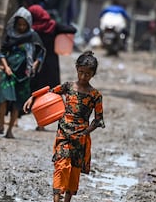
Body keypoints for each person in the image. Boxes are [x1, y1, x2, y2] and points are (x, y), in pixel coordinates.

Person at [23, 51, 105, 202]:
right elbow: (49, 92)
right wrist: (32, 97)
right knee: (61, 164)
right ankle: (56, 198)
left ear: (93, 74)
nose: (83, 76)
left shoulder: (95, 95)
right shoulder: (68, 87)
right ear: (76, 69)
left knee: (74, 169)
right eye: (81, 72)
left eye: (87, 74)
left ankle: (67, 199)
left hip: (80, 138)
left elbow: (98, 120)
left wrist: (86, 131)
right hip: (63, 133)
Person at [0, 7, 45, 138]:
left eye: (24, 25)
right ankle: (1, 125)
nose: (22, 27)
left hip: (24, 75)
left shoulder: (33, 36)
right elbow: (2, 53)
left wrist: (35, 63)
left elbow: (40, 53)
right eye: (19, 25)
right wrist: (6, 67)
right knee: (4, 99)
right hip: (9, 72)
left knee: (17, 104)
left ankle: (10, 130)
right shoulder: (10, 35)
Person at [27, 4, 76, 130]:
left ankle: (24, 120)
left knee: (35, 91)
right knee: (50, 92)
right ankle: (47, 122)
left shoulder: (31, 28)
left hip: (35, 62)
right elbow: (72, 29)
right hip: (50, 63)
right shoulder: (52, 26)